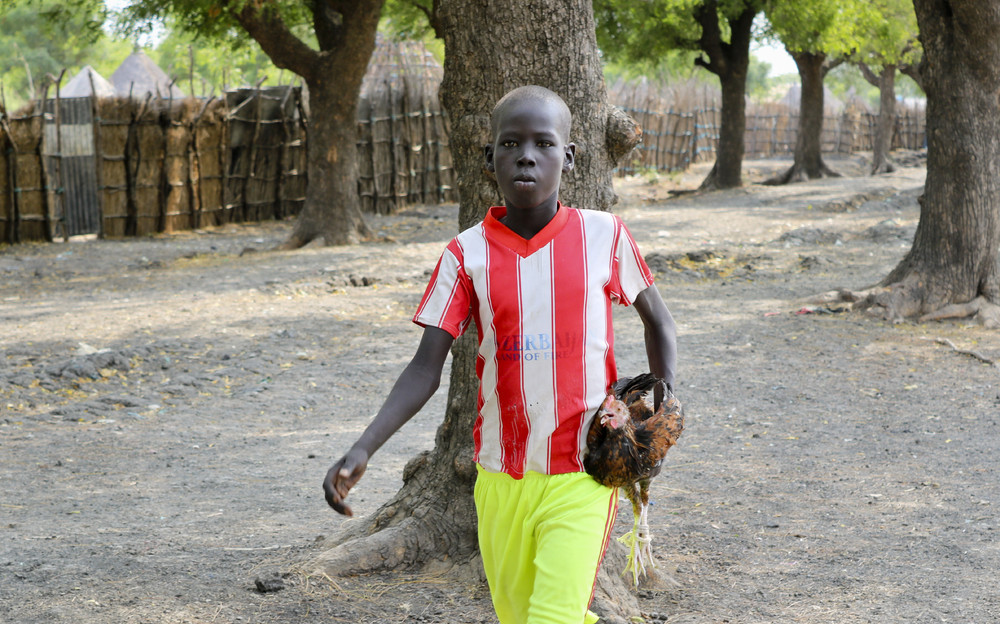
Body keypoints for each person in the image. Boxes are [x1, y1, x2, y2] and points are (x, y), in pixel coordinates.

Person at [323, 85, 677, 624]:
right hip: (498, 480)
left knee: (552, 616)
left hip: (582, 473)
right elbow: (425, 369)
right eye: (510, 144)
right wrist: (363, 448)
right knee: (517, 616)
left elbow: (659, 321)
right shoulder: (466, 255)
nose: (527, 155)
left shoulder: (604, 236)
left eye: (544, 143)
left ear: (570, 156)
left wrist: (662, 407)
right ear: (490, 160)